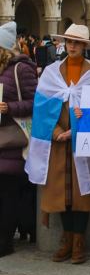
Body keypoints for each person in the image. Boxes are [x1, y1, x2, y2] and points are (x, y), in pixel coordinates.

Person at [25, 23, 90, 264]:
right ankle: (66, 239)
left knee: (82, 192)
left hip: (83, 142)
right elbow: (42, 106)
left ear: (84, 46)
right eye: (69, 42)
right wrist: (59, 131)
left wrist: (78, 129)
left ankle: (79, 241)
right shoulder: (51, 72)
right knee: (62, 193)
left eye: (77, 42)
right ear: (64, 44)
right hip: (57, 142)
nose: (72, 46)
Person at [0, 22, 37, 255]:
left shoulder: (20, 69)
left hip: (12, 140)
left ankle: (5, 242)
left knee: (7, 194)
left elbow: (35, 103)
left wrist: (9, 107)